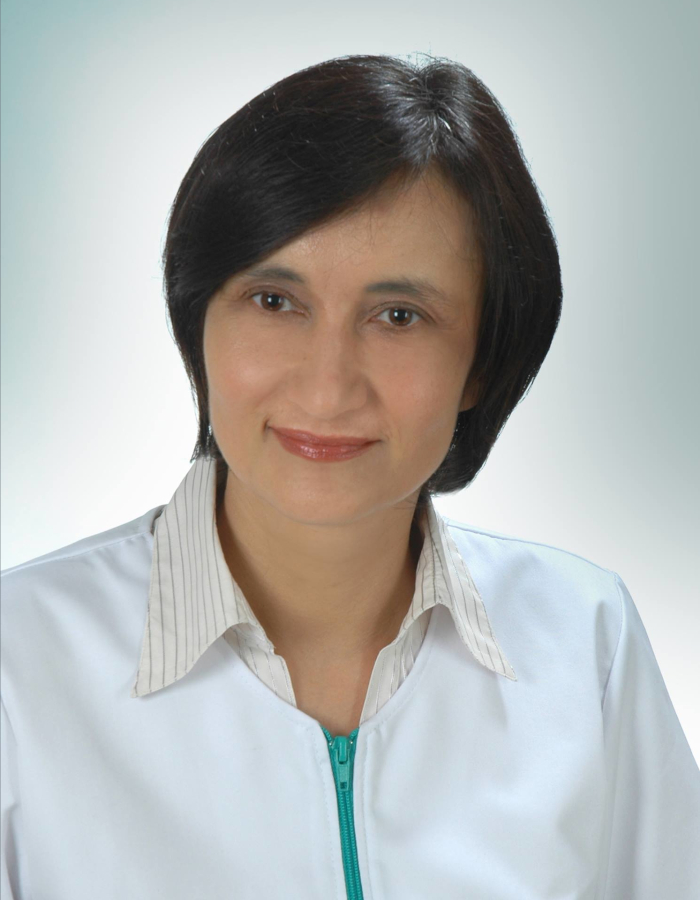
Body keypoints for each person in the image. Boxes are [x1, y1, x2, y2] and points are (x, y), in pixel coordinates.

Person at [2, 53, 698, 899]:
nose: (328, 387)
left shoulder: (586, 641)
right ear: (197, 322)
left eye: (399, 316)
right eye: (275, 301)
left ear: (481, 361)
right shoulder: (18, 661)